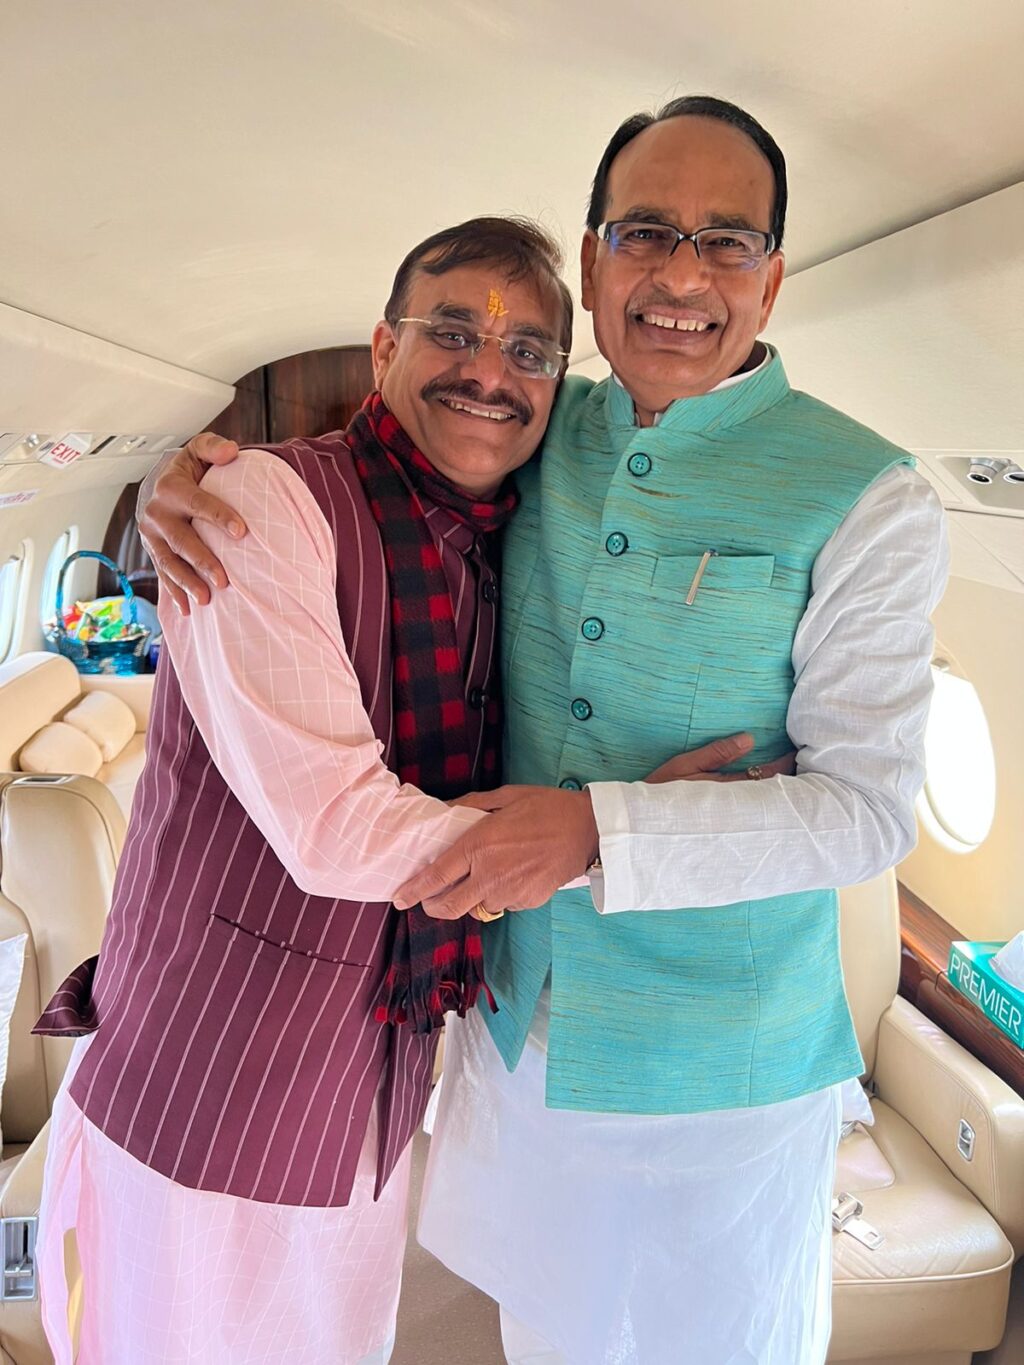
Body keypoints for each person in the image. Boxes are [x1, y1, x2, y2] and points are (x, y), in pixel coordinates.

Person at [141, 97, 947, 1365]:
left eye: (727, 242)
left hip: (720, 1067)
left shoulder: (872, 494)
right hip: (512, 1026)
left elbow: (865, 811)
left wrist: (595, 831)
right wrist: (182, 476)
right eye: (646, 232)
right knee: (543, 1338)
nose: (682, 276)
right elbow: (383, 444)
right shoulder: (535, 422)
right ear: (592, 259)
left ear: (773, 278)